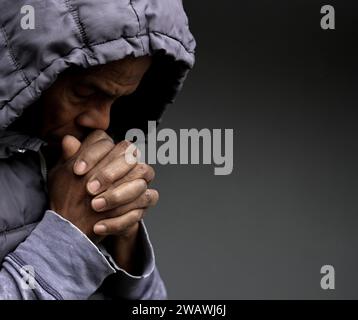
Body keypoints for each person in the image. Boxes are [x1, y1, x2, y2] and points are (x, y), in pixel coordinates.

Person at [0, 0, 195, 299]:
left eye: (118, 100)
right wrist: (68, 240)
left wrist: (122, 240)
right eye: (85, 92)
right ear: (25, 69)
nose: (102, 121)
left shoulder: (63, 155)